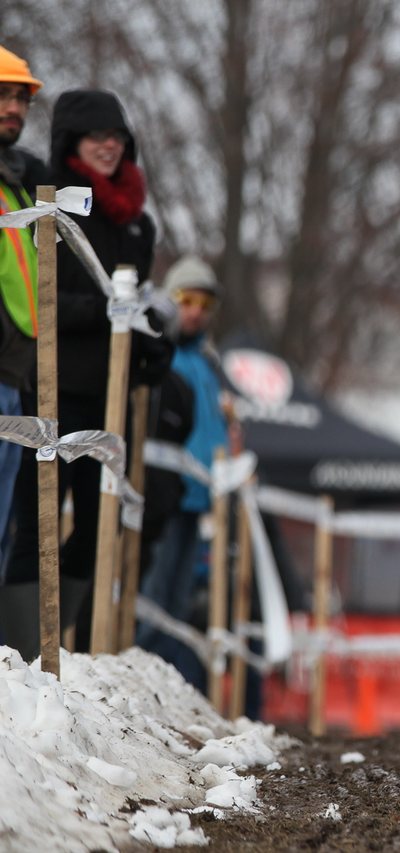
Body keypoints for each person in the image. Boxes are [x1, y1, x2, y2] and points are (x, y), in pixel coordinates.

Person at [1, 88, 169, 657]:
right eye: (97, 136)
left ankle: (64, 644)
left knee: (101, 528)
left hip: (111, 393)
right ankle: (26, 659)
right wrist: (107, 313)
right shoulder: (50, 201)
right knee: (38, 525)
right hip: (50, 387)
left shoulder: (140, 225)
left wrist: (148, 344)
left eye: (118, 137)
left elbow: (136, 299)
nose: (108, 146)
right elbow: (41, 298)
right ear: (73, 141)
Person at [137, 256, 229, 663]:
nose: (195, 311)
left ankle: (162, 682)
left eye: (205, 303)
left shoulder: (210, 363)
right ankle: (136, 675)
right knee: (153, 598)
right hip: (164, 497)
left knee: (176, 602)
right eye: (187, 299)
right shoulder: (160, 356)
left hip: (199, 499)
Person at [0, 45, 45, 577]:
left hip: (13, 373)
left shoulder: (16, 183)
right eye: (4, 95)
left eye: (21, 98)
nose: (15, 107)